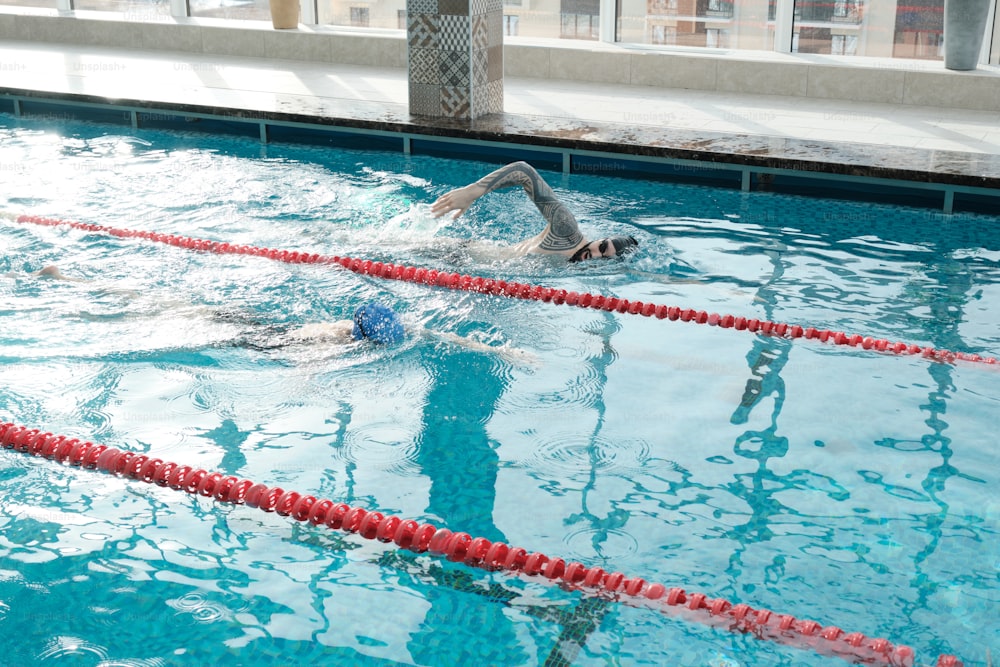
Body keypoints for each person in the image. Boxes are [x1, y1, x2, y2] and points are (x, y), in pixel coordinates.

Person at [429, 161, 638, 263]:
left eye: (602, 258)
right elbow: (524, 171)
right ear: (599, 239)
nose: (592, 255)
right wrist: (474, 191)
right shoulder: (567, 231)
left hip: (465, 269)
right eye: (601, 247)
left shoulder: (573, 268)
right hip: (459, 254)